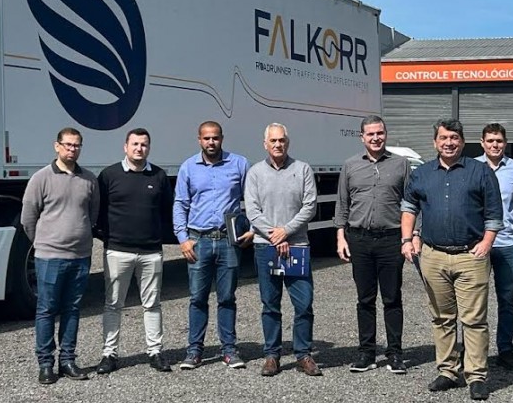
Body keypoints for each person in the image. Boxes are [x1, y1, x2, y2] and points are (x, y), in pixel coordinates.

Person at [400, 118, 502, 401]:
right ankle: (448, 371)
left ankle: (476, 376)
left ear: (463, 141)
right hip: (433, 255)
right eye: (443, 138)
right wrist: (407, 239)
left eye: (454, 138)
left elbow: (494, 213)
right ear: (435, 142)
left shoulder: (480, 172)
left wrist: (486, 243)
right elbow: (409, 208)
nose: (449, 143)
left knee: (474, 319)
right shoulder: (422, 173)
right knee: (442, 318)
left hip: (471, 255)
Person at [20, 127, 100, 384]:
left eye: (76, 145)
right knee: (46, 309)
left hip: (80, 256)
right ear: (57, 146)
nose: (72, 149)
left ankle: (68, 360)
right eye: (67, 144)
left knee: (72, 309)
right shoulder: (41, 178)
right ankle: (46, 364)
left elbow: (93, 214)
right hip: (50, 257)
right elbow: (28, 219)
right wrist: (44, 243)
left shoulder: (89, 179)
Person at [173, 121, 252, 370]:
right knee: (197, 298)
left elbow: (253, 200)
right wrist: (183, 238)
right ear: (199, 139)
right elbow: (180, 204)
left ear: (222, 139)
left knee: (227, 297)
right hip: (199, 241)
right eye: (206, 138)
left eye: (215, 138)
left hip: (228, 240)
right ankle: (194, 351)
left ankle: (229, 350)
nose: (211, 142)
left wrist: (252, 229)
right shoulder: (188, 167)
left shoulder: (239, 164)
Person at [335, 115, 410, 374]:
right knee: (365, 299)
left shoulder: (401, 165)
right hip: (360, 239)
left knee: (392, 298)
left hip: (391, 239)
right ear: (362, 137)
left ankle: (395, 354)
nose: (376, 138)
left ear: (385, 134)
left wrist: (412, 236)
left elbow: (411, 203)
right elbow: (342, 204)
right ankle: (366, 353)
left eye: (380, 133)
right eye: (370, 134)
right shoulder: (350, 165)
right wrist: (340, 237)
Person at [94, 128, 173, 374]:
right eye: (135, 144)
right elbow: (98, 211)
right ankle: (109, 354)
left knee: (152, 304)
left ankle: (155, 352)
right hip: (118, 251)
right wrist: (108, 238)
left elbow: (167, 211)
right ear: (125, 147)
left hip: (151, 252)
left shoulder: (159, 176)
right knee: (113, 304)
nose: (139, 148)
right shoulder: (109, 175)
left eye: (144, 144)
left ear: (149, 148)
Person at [245, 123, 321, 377]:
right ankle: (272, 355)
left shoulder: (302, 169)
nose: (278, 144)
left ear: (288, 142)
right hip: (266, 247)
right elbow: (252, 210)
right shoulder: (255, 173)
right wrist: (275, 236)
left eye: (282, 140)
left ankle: (303, 354)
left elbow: (310, 206)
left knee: (304, 303)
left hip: (297, 246)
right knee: (270, 303)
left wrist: (286, 231)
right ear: (265, 144)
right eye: (273, 140)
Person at [474, 123, 513, 372]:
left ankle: (505, 350)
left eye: (499, 141)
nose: (494, 145)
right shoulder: (471, 167)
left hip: (508, 243)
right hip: (477, 244)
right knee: (474, 300)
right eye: (490, 141)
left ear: (505, 143)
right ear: (482, 143)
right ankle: (474, 351)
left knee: (506, 299)